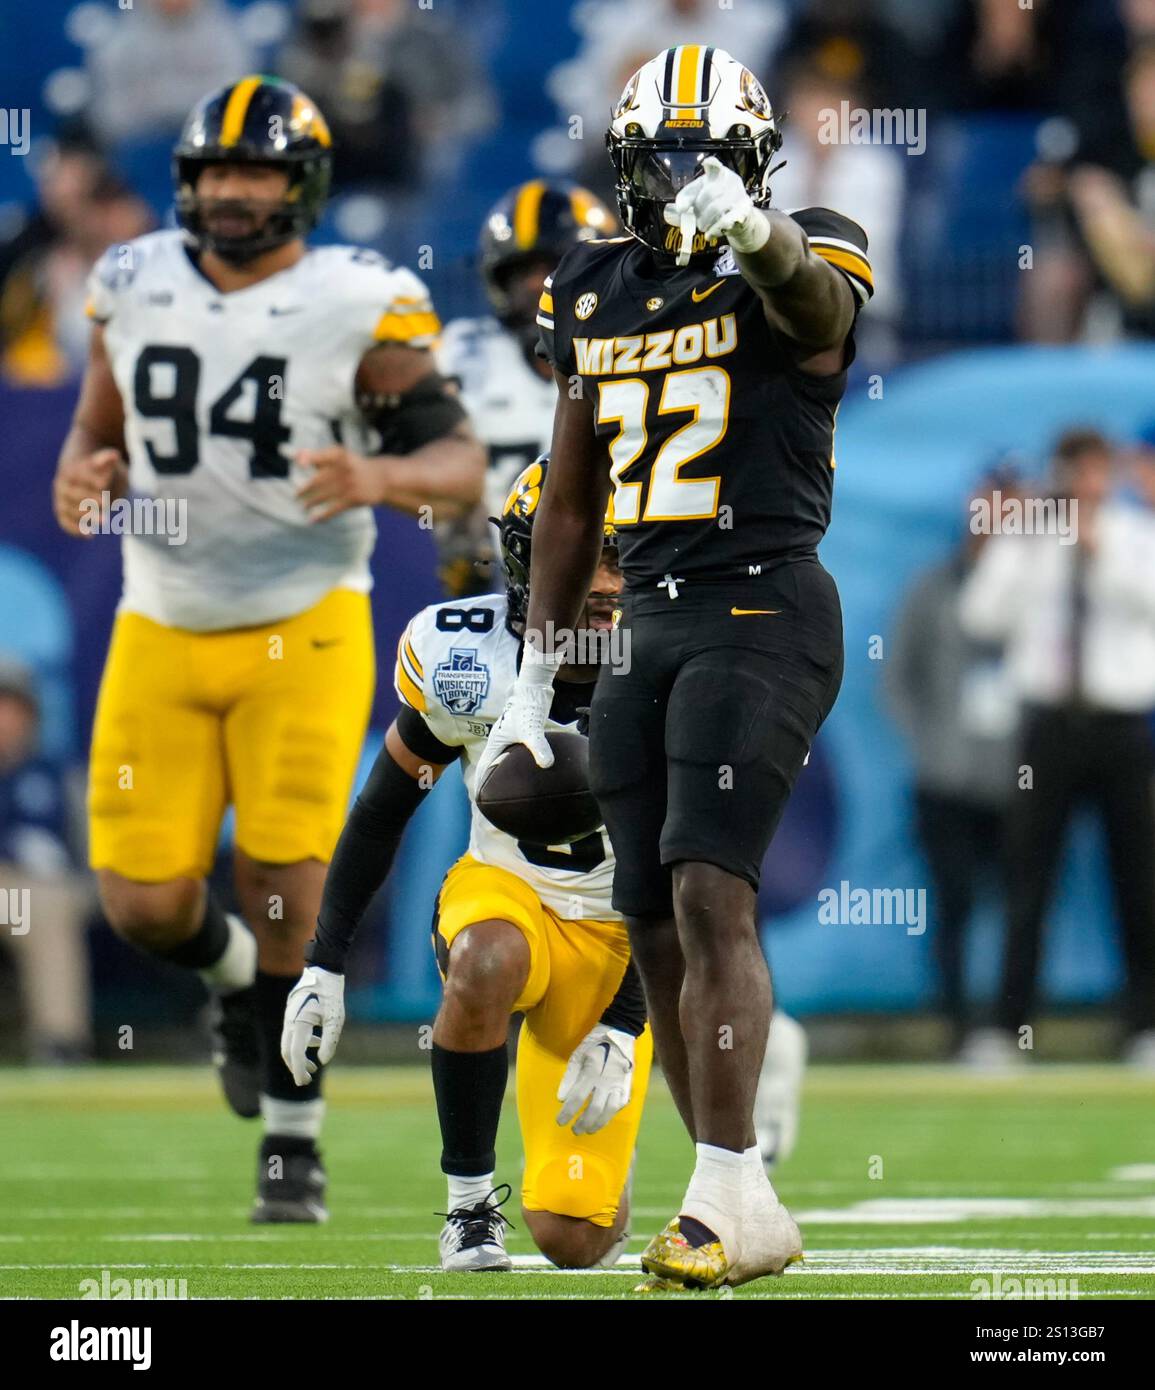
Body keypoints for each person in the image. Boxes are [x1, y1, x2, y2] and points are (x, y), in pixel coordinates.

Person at [51, 76, 484, 1222]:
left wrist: (378, 475)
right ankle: (240, 983)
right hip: (164, 621)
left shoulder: (359, 299)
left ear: (304, 187)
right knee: (144, 904)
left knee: (288, 887)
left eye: (256, 173)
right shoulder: (131, 280)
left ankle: (293, 1141)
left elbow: (456, 463)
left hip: (306, 621)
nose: (232, 193)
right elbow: (97, 427)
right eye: (214, 174)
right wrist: (82, 470)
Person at [477, 46, 872, 1289]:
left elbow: (819, 316)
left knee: (709, 886)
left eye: (706, 158)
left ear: (756, 163)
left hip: (763, 600)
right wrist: (540, 680)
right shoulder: (592, 286)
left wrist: (756, 236)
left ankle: (722, 1191)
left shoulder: (808, 242)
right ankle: (734, 1187)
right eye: (659, 158)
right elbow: (568, 497)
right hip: (644, 615)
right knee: (646, 910)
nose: (679, 180)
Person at [283, 457, 652, 1271]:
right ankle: (468, 1209)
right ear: (528, 559)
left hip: (629, 934)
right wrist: (325, 963)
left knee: (575, 1240)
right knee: (486, 959)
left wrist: (627, 1019)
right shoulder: (465, 656)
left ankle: (597, 1169)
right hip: (505, 891)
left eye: (620, 557)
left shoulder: (677, 662)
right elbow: (384, 806)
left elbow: (707, 871)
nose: (601, 582)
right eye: (583, 553)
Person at [959, 429, 1155, 1069]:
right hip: (1045, 728)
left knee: (1138, 880)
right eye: (1076, 473)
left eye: (1098, 473)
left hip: (1121, 723)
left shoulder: (1133, 533)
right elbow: (980, 618)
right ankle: (1007, 1029)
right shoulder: (1028, 537)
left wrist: (1097, 553)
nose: (1087, 486)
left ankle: (1143, 1030)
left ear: (1111, 474)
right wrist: (1018, 549)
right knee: (1028, 878)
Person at [885, 472, 1020, 1057]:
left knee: (1022, 905)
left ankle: (1013, 1027)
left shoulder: (1039, 586)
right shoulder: (933, 586)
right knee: (954, 902)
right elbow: (897, 679)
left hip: (1021, 776)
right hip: (946, 776)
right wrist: (930, 743)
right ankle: (960, 1027)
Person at [433, 179, 616, 598]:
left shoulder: (638, 354)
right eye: (523, 271)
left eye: (553, 267)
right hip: (500, 583)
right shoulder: (461, 357)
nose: (537, 285)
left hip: (618, 576)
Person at [0, 658, 92, 1062]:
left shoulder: (58, 775)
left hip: (28, 895)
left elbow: (91, 861)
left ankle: (59, 1044)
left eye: (10, 706)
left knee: (39, 907)